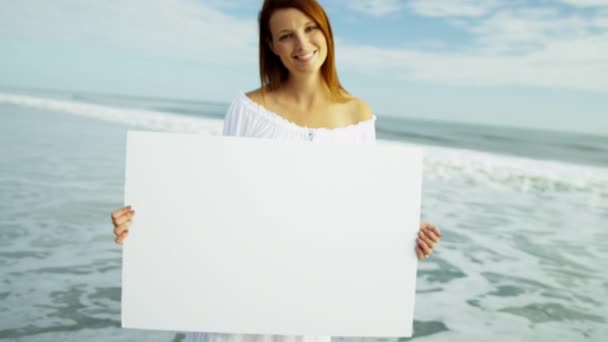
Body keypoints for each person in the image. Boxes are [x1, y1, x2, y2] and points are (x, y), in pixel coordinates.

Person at [111, 0, 441, 341]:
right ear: (272, 46)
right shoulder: (249, 110)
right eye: (286, 35)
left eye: (310, 28)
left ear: (325, 30)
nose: (302, 44)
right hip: (235, 305)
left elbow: (359, 210)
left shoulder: (358, 116)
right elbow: (214, 203)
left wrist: (404, 234)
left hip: (305, 308)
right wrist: (143, 225)